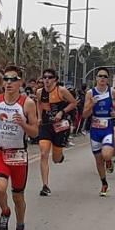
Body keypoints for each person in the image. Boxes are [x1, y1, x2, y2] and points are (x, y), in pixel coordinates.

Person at [0, 66, 38, 230]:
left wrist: (23, 123)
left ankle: (20, 229)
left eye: (12, 79)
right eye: (6, 79)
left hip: (19, 155)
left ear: (20, 82)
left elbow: (35, 132)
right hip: (0, 152)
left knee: (18, 197)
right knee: (0, 189)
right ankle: (5, 212)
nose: (8, 83)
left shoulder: (27, 103)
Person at [37, 68, 76, 196]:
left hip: (60, 126)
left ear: (55, 79)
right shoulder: (39, 92)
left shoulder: (61, 91)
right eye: (45, 77)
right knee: (43, 153)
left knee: (56, 159)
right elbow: (39, 104)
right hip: (46, 126)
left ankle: (60, 155)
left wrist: (62, 112)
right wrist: (39, 117)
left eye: (50, 77)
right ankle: (45, 185)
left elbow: (73, 103)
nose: (47, 80)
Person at [82, 68, 115, 197]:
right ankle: (104, 183)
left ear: (107, 79)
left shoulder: (112, 92)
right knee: (98, 160)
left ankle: (109, 160)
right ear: (96, 78)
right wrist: (91, 104)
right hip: (95, 128)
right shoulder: (90, 93)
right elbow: (85, 114)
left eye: (105, 76)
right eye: (100, 76)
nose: (102, 78)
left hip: (108, 126)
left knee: (107, 154)